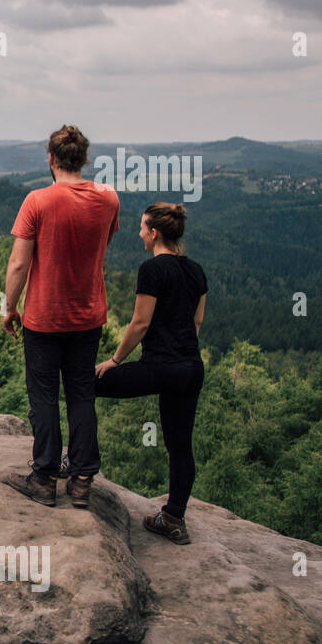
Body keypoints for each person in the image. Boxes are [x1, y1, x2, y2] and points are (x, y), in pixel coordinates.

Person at [2, 125, 120, 508]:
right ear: (85, 159)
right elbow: (102, 242)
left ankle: (45, 476)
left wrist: (9, 308)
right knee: (82, 394)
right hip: (88, 315)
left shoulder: (37, 201)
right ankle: (82, 480)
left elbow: (19, 264)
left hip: (44, 317)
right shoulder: (108, 200)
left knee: (44, 397)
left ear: (50, 159)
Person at [95, 203, 207, 544]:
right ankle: (173, 518)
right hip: (190, 367)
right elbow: (196, 323)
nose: (139, 233)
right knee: (180, 445)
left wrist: (114, 360)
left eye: (142, 228)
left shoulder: (152, 270)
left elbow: (140, 323)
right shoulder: (196, 271)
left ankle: (78, 460)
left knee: (86, 383)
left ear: (154, 232)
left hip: (160, 366)